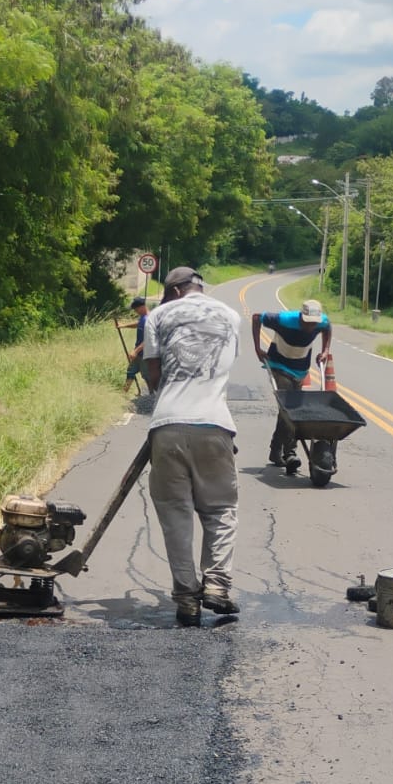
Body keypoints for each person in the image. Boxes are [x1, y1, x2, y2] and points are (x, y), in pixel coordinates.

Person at [141, 266, 242, 627]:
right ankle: (216, 584)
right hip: (216, 425)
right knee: (220, 511)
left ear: (173, 291)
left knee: (176, 516)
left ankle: (187, 599)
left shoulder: (159, 315)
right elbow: (225, 366)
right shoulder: (231, 316)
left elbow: (152, 371)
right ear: (199, 287)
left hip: (167, 426)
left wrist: (164, 395)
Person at [251, 297, 332, 473]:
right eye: (308, 323)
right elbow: (257, 317)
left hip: (300, 369)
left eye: (314, 324)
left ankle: (275, 449)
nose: (311, 327)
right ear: (301, 316)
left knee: (286, 411)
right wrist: (258, 348)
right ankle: (290, 454)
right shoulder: (284, 320)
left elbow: (327, 327)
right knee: (289, 409)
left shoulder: (321, 322)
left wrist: (325, 350)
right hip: (279, 366)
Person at [123, 295, 149, 394]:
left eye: (136, 309)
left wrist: (135, 351)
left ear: (142, 307)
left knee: (147, 377)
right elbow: (138, 324)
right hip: (138, 353)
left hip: (145, 355)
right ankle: (124, 393)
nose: (135, 311)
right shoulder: (143, 318)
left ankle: (152, 397)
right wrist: (123, 326)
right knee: (130, 372)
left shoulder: (148, 319)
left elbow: (148, 340)